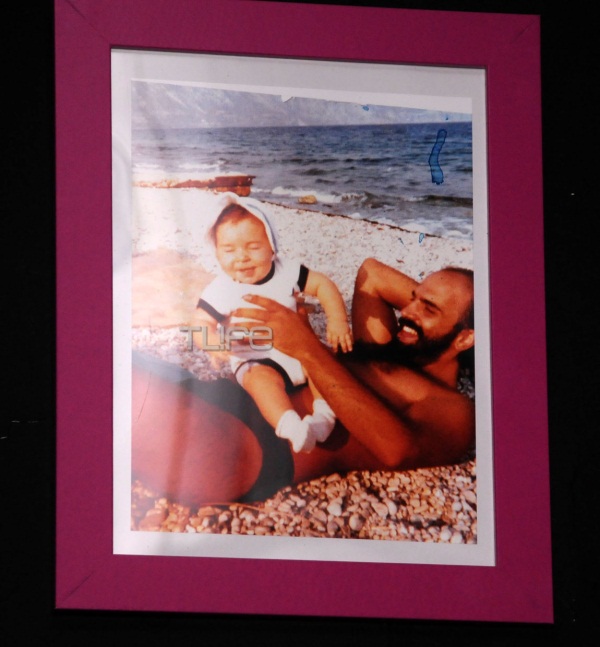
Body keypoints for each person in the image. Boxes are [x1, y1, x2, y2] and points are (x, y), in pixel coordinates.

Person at [131, 256, 475, 506]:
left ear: (466, 338)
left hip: (247, 444)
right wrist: (431, 302)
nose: (407, 312)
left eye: (428, 308)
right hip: (218, 396)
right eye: (412, 298)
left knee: (109, 383)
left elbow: (398, 451)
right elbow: (372, 273)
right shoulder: (386, 349)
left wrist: (306, 347)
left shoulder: (451, 406)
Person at [193, 192, 353, 454]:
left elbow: (323, 285)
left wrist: (337, 320)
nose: (242, 257)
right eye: (229, 250)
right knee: (260, 382)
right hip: (255, 357)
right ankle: (289, 425)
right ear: (217, 253)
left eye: (253, 247)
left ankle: (324, 419)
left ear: (272, 247)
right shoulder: (220, 289)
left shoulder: (287, 271)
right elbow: (200, 322)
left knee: (323, 363)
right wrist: (212, 344)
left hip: (298, 350)